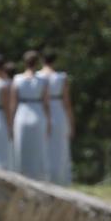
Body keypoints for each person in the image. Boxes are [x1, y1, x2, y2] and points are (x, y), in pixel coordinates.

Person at [11, 50, 50, 181]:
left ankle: (23, 176)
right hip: (38, 113)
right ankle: (38, 177)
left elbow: (13, 103)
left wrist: (10, 121)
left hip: (21, 113)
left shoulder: (17, 79)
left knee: (22, 148)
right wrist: (49, 120)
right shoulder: (42, 80)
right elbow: (46, 103)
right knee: (38, 148)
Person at [37, 50, 73, 185]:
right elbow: (67, 102)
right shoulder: (61, 77)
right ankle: (59, 178)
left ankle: (44, 176)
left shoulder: (37, 77)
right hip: (58, 110)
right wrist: (70, 121)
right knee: (59, 146)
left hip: (40, 109)